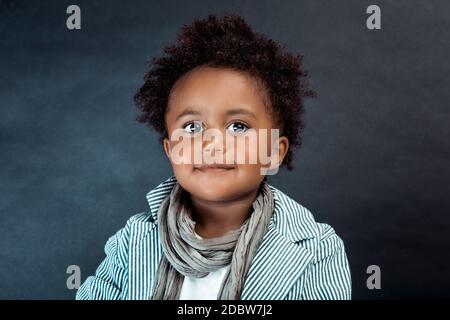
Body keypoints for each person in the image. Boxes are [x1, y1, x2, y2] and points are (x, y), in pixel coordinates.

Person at [76, 13, 351, 300]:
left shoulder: (318, 249)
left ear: (273, 151)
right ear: (170, 150)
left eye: (238, 126)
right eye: (192, 127)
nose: (213, 143)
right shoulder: (132, 242)